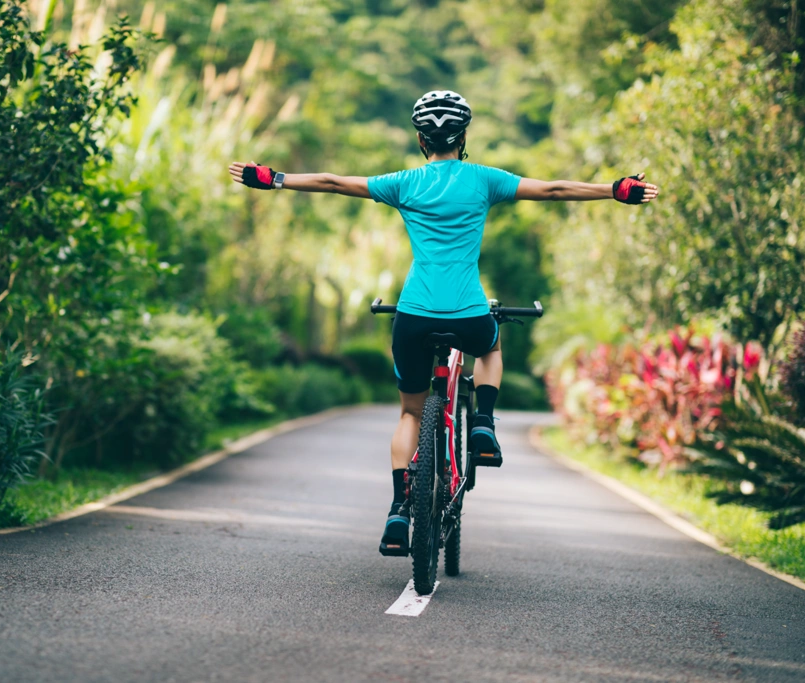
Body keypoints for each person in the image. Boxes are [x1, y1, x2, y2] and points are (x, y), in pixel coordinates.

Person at [228, 90, 659, 556]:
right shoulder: (484, 181)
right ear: (463, 136)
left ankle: (398, 508)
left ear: (420, 139)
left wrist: (274, 178)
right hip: (470, 313)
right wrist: (614, 190)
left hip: (413, 315)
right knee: (490, 348)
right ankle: (484, 424)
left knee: (411, 413)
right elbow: (553, 190)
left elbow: (334, 182)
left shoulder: (403, 183)